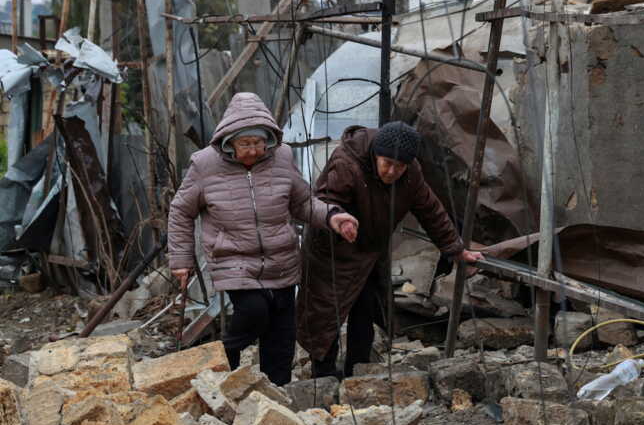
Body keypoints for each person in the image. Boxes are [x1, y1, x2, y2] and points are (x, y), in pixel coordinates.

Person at [168, 92, 358, 386]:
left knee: (282, 332)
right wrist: (181, 260)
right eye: (246, 144)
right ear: (229, 141)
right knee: (254, 311)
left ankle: (277, 391)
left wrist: (333, 217)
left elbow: (303, 203)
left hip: (281, 259)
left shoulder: (281, 157)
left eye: (259, 142)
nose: (254, 151)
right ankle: (222, 363)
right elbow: (181, 210)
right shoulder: (205, 164)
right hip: (233, 259)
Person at [297, 121, 483, 378]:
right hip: (331, 249)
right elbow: (325, 200)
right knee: (324, 316)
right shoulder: (346, 163)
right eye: (388, 163)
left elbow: (430, 210)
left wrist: (455, 248)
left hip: (370, 253)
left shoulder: (411, 174)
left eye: (400, 166)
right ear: (375, 156)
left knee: (365, 312)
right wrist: (338, 220)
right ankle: (324, 377)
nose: (393, 171)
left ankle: (357, 374)